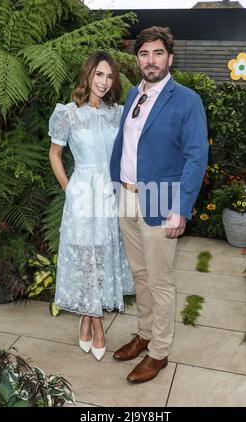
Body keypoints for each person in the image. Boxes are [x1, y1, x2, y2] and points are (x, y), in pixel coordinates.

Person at [110, 26, 208, 383]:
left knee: (161, 280)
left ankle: (159, 352)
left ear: (170, 57)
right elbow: (126, 144)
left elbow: (196, 157)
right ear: (137, 59)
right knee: (140, 275)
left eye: (157, 54)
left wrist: (180, 207)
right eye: (144, 54)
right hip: (127, 195)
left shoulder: (186, 100)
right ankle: (145, 333)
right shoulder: (133, 94)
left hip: (161, 199)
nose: (150, 61)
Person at [48, 52, 134, 361]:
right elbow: (54, 154)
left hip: (109, 196)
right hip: (82, 194)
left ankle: (86, 318)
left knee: (101, 258)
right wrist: (69, 189)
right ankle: (99, 326)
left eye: (110, 77)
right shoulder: (68, 114)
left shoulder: (117, 113)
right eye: (99, 74)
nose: (104, 81)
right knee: (85, 260)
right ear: (88, 75)